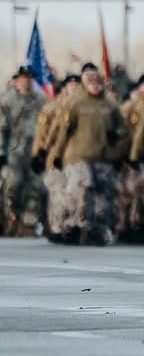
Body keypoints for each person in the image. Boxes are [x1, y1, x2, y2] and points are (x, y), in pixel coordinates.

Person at [47, 65, 126, 246]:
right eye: (91, 83)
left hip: (103, 156)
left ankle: (98, 230)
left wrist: (117, 137)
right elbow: (64, 131)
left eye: (98, 83)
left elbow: (124, 129)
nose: (95, 86)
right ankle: (77, 226)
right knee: (81, 192)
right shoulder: (76, 104)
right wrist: (57, 155)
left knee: (103, 196)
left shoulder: (110, 105)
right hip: (78, 156)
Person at [0, 67, 50, 237]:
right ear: (16, 80)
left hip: (35, 151)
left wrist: (46, 151)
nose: (26, 80)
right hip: (14, 151)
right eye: (23, 77)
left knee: (34, 187)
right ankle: (12, 219)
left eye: (29, 77)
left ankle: (28, 224)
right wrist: (1, 152)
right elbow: (1, 128)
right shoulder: (6, 101)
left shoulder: (42, 100)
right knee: (12, 186)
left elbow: (49, 127)